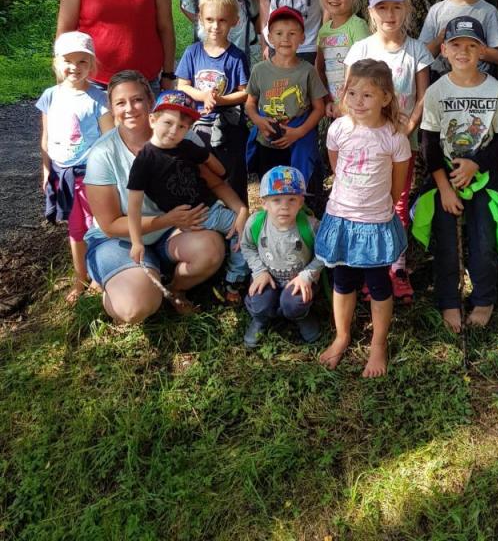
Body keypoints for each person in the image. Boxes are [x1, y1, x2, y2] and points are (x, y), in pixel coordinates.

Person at [83, 71, 226, 323]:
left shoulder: (180, 133)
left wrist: (239, 210)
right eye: (120, 103)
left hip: (171, 232)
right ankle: (112, 277)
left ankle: (174, 288)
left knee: (211, 249)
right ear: (111, 109)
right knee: (134, 308)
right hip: (120, 239)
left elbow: (215, 178)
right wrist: (167, 219)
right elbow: (109, 224)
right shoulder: (102, 153)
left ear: (151, 102)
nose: (130, 108)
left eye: (137, 99)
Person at [315, 59, 411, 377]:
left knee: (378, 284)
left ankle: (378, 344)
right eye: (352, 93)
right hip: (341, 218)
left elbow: (398, 185)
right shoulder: (339, 129)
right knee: (342, 281)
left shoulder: (394, 137)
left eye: (367, 95)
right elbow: (336, 167)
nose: (358, 102)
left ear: (385, 98)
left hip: (375, 223)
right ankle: (342, 336)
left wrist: (377, 209)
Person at [420, 17, 498, 332]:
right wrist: (444, 188)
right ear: (444, 50)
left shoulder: (496, 90)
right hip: (445, 179)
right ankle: (449, 300)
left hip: (484, 176)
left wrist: (477, 164)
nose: (463, 51)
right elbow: (429, 144)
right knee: (446, 242)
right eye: (456, 45)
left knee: (484, 239)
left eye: (472, 45)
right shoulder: (436, 91)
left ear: (482, 51)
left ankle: (484, 299)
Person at [344, 0, 432, 301]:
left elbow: (423, 97)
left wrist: (408, 129)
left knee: (398, 203)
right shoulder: (361, 49)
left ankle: (397, 266)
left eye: (396, 7)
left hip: (401, 145)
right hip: (367, 147)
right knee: (370, 204)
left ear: (406, 8)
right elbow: (348, 95)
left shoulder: (416, 50)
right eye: (382, 7)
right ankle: (373, 267)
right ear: (371, 11)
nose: (390, 15)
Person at [127, 90, 249, 303]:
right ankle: (234, 280)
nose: (174, 130)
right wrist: (136, 242)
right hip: (201, 214)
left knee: (242, 226)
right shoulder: (144, 160)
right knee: (247, 229)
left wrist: (216, 167)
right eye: (168, 122)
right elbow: (134, 206)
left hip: (209, 206)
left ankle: (235, 269)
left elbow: (214, 166)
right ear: (153, 120)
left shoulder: (186, 147)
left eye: (182, 126)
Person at [36, 32, 114, 303]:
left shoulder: (98, 98)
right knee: (76, 229)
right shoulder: (50, 96)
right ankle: (80, 279)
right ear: (57, 62)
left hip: (91, 176)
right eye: (68, 60)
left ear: (92, 64)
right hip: (63, 175)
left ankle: (99, 277)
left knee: (98, 226)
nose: (75, 67)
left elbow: (109, 139)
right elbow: (46, 138)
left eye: (82, 61)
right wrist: (47, 170)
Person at [176, 0, 250, 202]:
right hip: (199, 126)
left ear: (235, 21)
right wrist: (204, 96)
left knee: (233, 177)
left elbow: (245, 93)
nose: (215, 26)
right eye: (210, 19)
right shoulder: (192, 52)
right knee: (202, 175)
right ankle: (208, 215)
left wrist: (220, 100)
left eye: (222, 20)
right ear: (200, 18)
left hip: (229, 127)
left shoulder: (237, 57)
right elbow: (182, 86)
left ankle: (239, 215)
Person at [245, 7, 326, 197]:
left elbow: (319, 108)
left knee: (297, 187)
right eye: (279, 33)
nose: (285, 39)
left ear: (302, 38)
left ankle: (302, 210)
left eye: (292, 33)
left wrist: (299, 132)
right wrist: (258, 120)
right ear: (269, 38)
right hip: (268, 140)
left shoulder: (307, 71)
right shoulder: (260, 70)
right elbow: (250, 103)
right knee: (271, 188)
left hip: (297, 141)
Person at [241, 165, 324, 348]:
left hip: (298, 280)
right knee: (259, 302)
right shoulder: (255, 223)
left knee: (294, 303)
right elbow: (247, 246)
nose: (284, 207)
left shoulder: (310, 226)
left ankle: (300, 316)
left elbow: (324, 253)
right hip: (267, 278)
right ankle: (261, 319)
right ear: (264, 203)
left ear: (301, 201)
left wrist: (307, 275)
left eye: (292, 199)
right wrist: (259, 271)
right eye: (276, 200)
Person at [316, 0, 369, 117]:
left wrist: (346, 103)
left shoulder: (357, 26)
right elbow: (320, 69)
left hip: (357, 105)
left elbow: (365, 69)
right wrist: (328, 101)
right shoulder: (323, 31)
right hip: (334, 106)